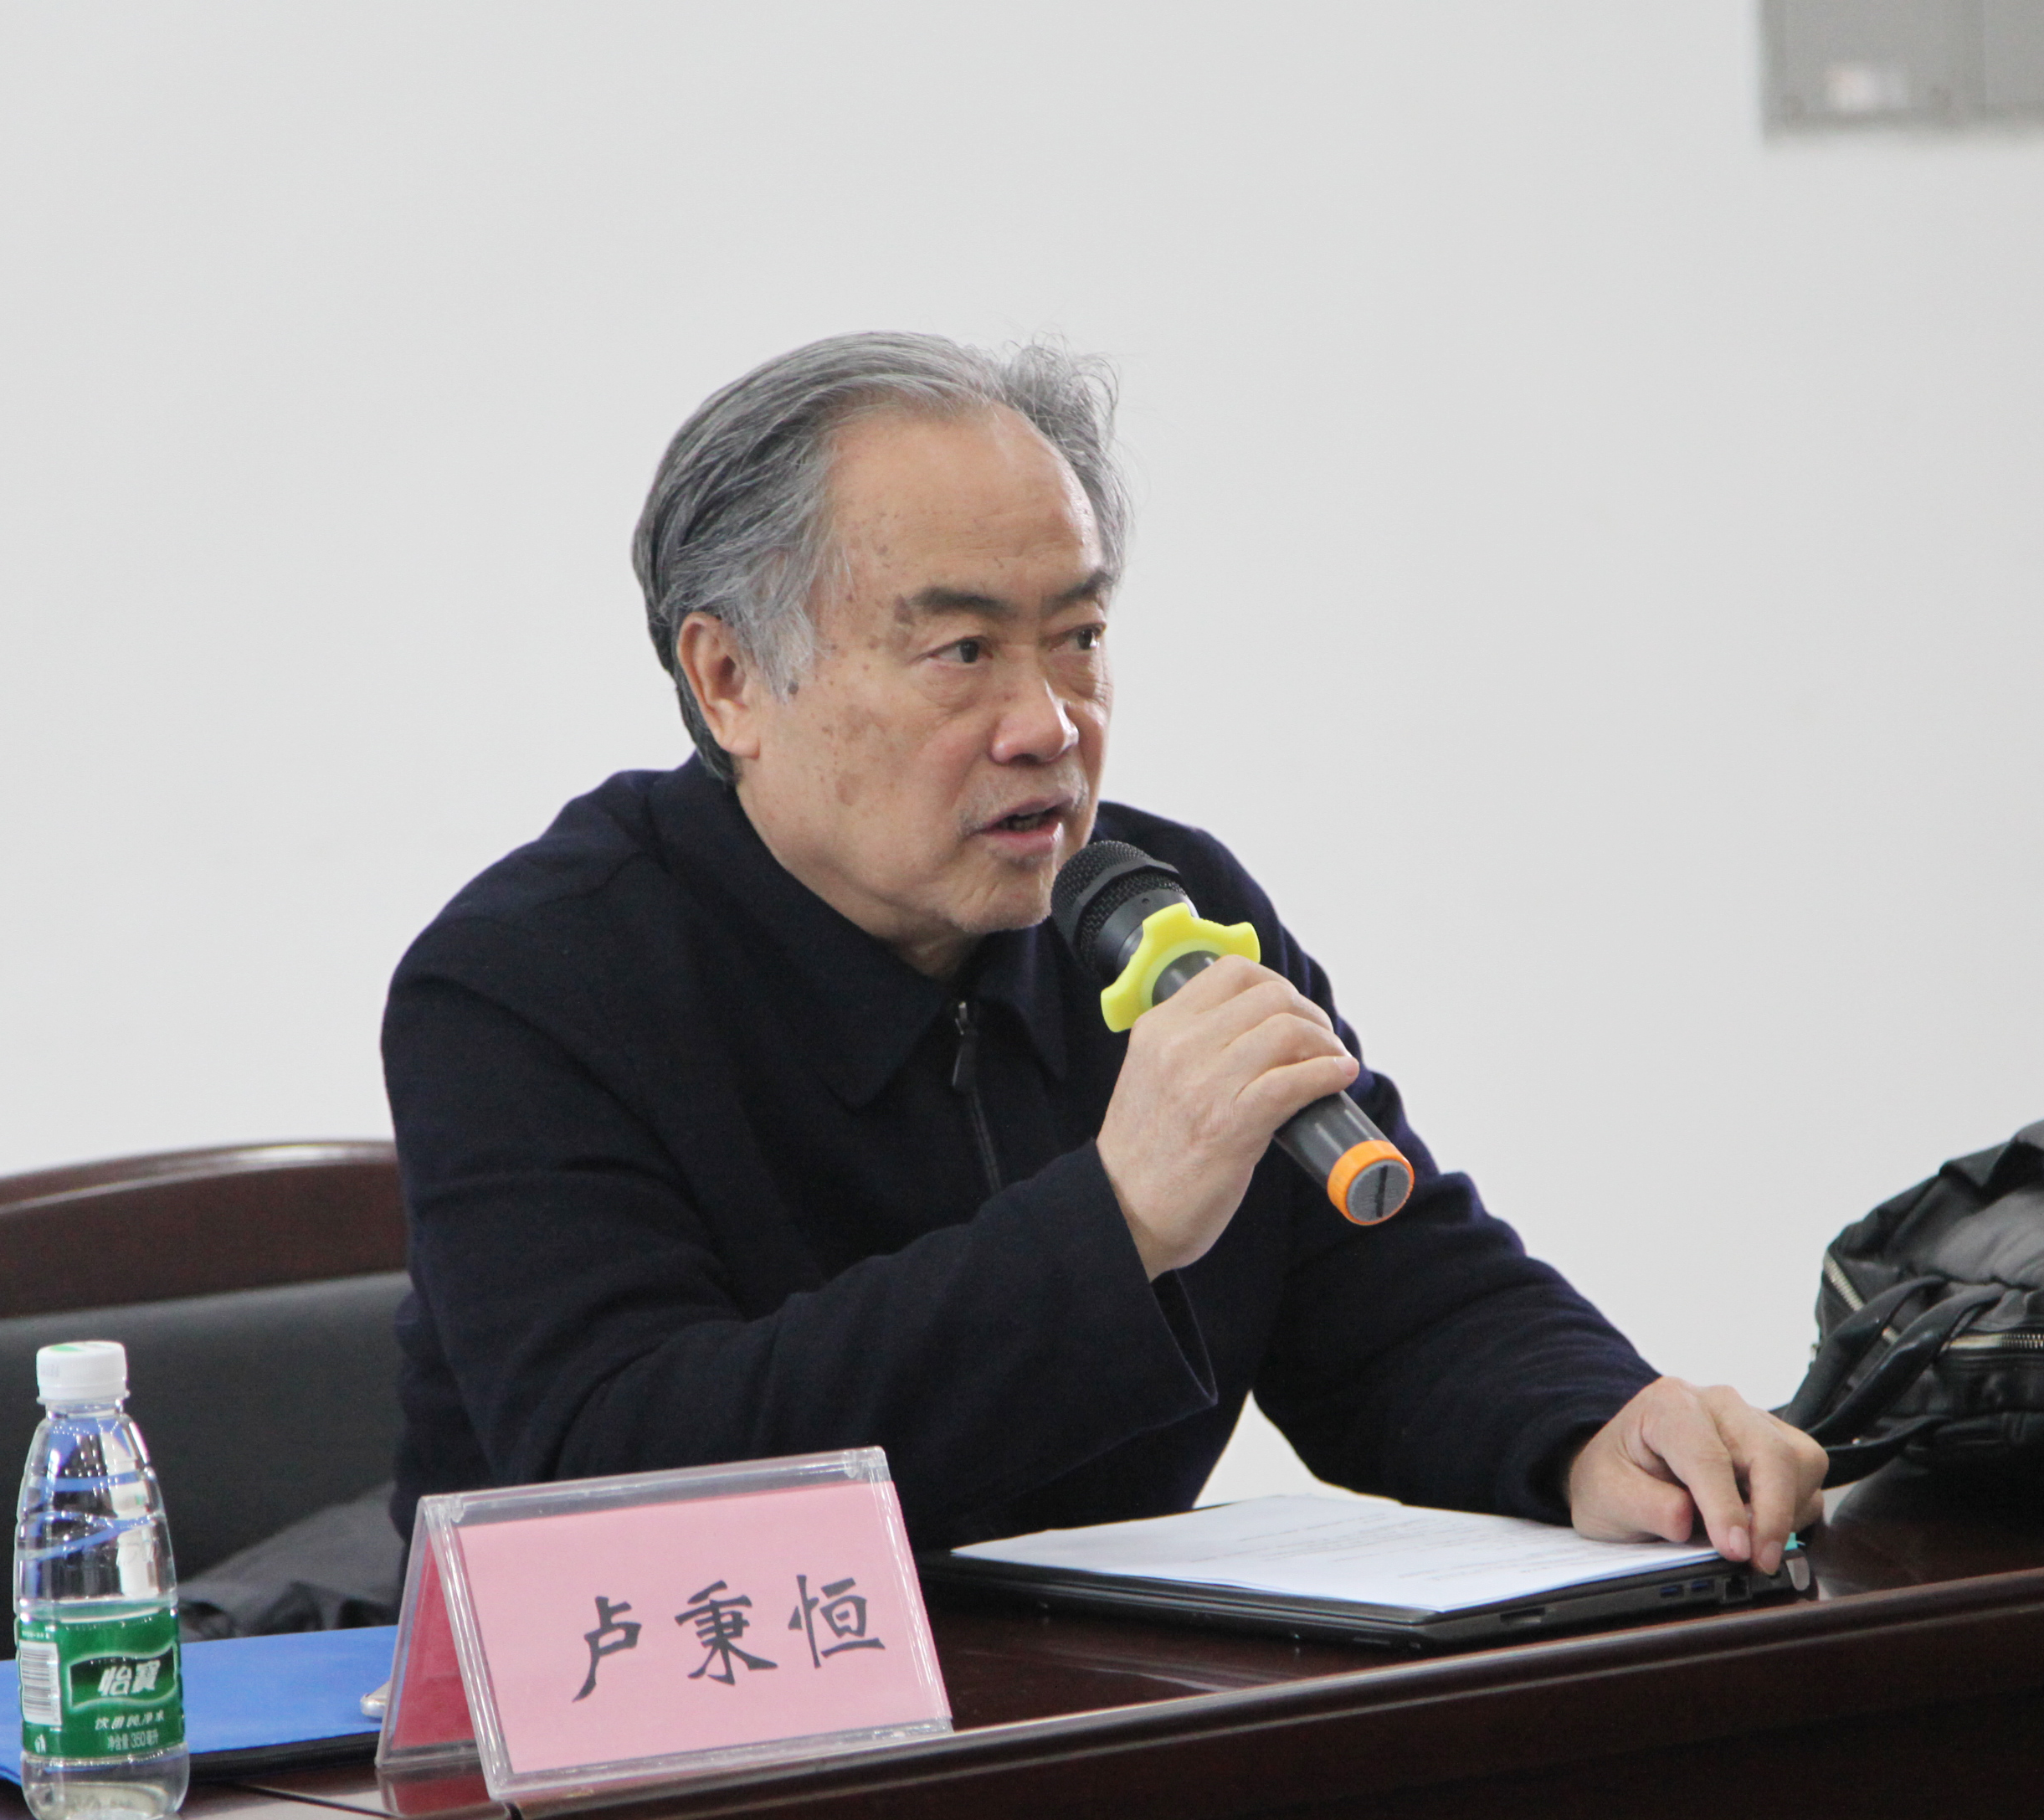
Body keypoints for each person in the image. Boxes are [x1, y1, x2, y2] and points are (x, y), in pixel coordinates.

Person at [383, 333, 1826, 1562]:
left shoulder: (1163, 911)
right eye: (963, 653)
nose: (1048, 724)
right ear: (729, 680)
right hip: (660, 1757)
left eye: (1077, 638)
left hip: (1086, 1719)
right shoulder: (527, 986)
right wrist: (1118, 1221)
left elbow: (1399, 1305)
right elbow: (623, 1479)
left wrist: (1593, 1428)